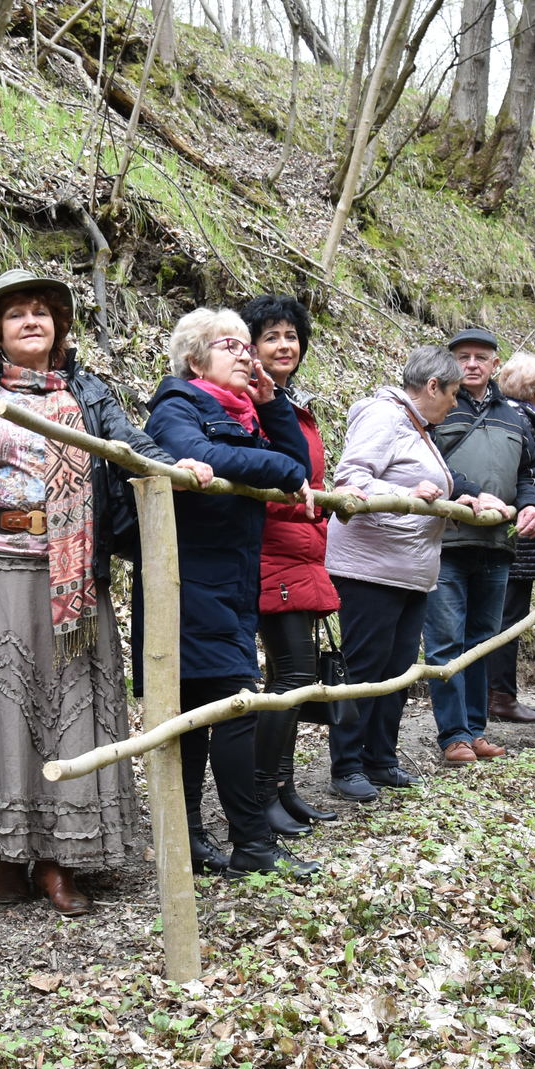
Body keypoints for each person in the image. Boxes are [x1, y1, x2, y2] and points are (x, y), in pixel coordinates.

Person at [0, 270, 213, 914]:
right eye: (16, 313)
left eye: (43, 313)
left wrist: (176, 464)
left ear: (59, 328)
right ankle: (6, 855)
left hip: (73, 581)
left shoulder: (90, 394)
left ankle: (56, 860)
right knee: (1, 709)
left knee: (70, 709)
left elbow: (135, 450)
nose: (31, 322)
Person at [145, 308, 317, 879]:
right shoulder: (177, 406)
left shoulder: (245, 416)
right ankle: (252, 845)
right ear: (196, 359)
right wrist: (279, 469)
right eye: (231, 346)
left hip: (231, 584)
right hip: (189, 585)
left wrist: (271, 405)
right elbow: (210, 458)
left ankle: (198, 841)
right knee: (232, 711)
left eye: (249, 346)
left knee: (200, 716)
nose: (247, 354)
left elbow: (295, 465)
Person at [323, 346, 475, 802]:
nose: (455, 404)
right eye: (453, 393)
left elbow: (424, 496)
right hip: (371, 569)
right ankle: (347, 765)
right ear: (432, 386)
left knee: (398, 670)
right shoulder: (382, 415)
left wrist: (454, 504)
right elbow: (350, 479)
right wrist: (405, 490)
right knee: (366, 670)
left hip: (410, 572)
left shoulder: (417, 428)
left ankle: (380, 757)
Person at [241, 293, 351, 836]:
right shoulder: (249, 401)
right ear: (250, 346)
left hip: (302, 551)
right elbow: (269, 477)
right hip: (271, 551)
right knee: (292, 678)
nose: (284, 345)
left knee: (294, 677)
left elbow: (310, 479)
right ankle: (262, 795)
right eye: (271, 337)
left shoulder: (292, 403)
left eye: (291, 336)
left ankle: (283, 788)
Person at [420, 327, 535, 765]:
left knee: (482, 641)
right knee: (445, 641)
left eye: (481, 357)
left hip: (496, 544)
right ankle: (452, 735)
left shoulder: (515, 418)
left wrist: (533, 507)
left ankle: (474, 730)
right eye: (464, 356)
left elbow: (530, 474)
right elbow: (422, 466)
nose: (472, 364)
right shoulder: (436, 408)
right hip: (446, 542)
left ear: (496, 364)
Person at [491, 352, 535, 724]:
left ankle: (498, 694)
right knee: (508, 618)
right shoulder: (520, 420)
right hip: (519, 537)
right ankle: (500, 696)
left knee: (505, 616)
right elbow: (520, 481)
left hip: (520, 536)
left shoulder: (513, 416)